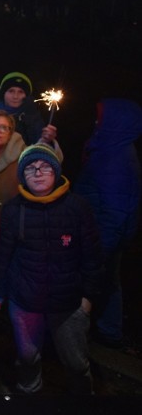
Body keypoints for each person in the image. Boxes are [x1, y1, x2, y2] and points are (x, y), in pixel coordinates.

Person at [0, 144, 102, 394]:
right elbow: (4, 256)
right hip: (25, 302)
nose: (38, 172)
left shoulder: (77, 207)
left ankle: (84, 403)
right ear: (22, 176)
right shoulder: (13, 210)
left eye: (44, 166)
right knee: (27, 359)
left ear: (55, 171)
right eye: (30, 168)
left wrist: (88, 297)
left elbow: (93, 256)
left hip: (69, 303)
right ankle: (30, 399)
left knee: (76, 363)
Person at [75, 99, 142, 349]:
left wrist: (99, 247)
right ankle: (109, 330)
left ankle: (88, 334)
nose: (95, 122)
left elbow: (116, 210)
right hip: (102, 234)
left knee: (95, 282)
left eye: (101, 118)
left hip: (101, 237)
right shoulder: (111, 149)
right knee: (110, 281)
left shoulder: (116, 159)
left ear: (115, 123)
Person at [0, 72, 46, 146]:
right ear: (4, 93)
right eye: (11, 91)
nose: (15, 96)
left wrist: (47, 139)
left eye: (21, 92)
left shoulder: (33, 116)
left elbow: (40, 144)